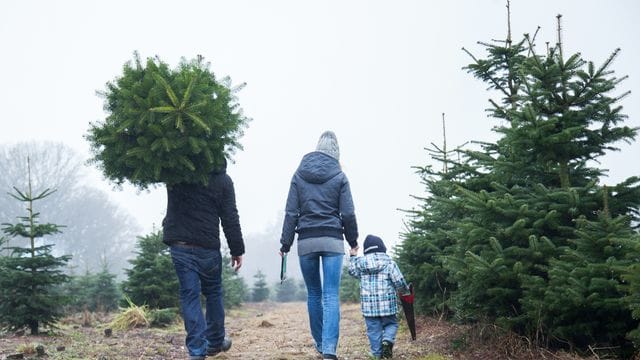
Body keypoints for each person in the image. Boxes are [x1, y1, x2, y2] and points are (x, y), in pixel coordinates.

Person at [279, 130, 359, 360]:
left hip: (306, 241)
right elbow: (348, 213)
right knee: (331, 295)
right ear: (336, 153)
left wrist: (285, 244)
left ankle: (319, 342)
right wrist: (353, 242)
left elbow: (291, 212)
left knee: (314, 293)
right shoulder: (340, 176)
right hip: (333, 240)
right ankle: (329, 350)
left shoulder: (298, 174)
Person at [162, 159, 245, 360]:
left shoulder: (176, 171)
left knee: (190, 296)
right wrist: (237, 249)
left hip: (180, 245)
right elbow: (230, 217)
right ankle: (215, 342)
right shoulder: (223, 180)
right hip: (207, 247)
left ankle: (197, 352)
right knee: (213, 292)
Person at [348, 234, 410, 359]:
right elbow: (399, 282)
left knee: (373, 330)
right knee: (391, 324)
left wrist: (353, 256)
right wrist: (405, 291)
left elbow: (352, 271)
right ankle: (387, 341)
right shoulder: (389, 263)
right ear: (382, 248)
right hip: (387, 306)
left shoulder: (360, 264)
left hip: (369, 308)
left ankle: (376, 354)